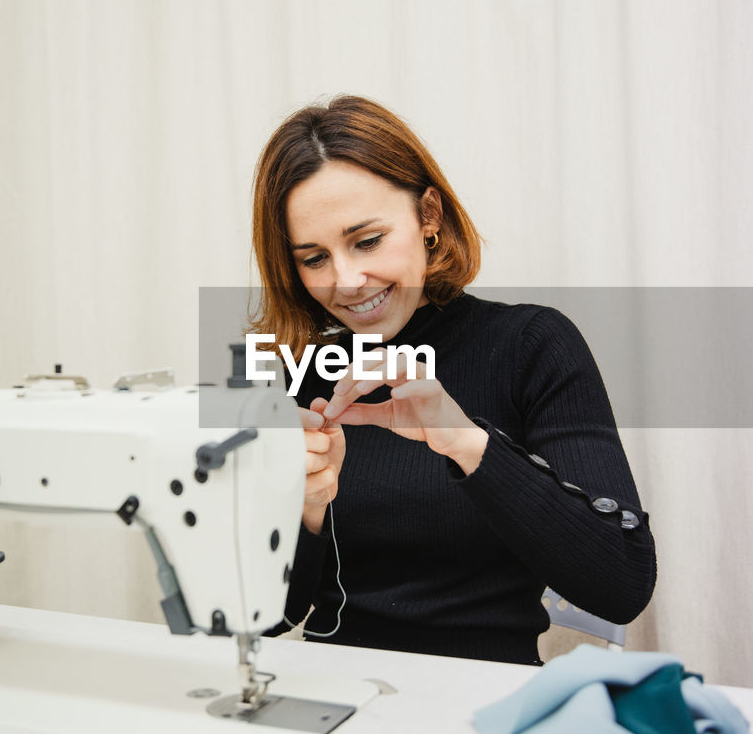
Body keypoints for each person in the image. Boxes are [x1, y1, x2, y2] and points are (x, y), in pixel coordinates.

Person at [250, 95, 656, 665]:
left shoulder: (532, 345)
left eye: (367, 241)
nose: (346, 280)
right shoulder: (305, 370)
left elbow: (621, 584)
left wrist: (465, 442)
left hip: (486, 699)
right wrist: (306, 513)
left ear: (429, 216)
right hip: (338, 695)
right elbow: (268, 619)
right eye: (314, 258)